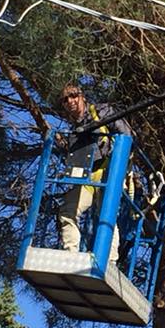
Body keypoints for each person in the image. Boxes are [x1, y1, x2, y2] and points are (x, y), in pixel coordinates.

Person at [56, 82, 132, 263]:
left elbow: (126, 134)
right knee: (68, 210)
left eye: (73, 95)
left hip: (109, 171)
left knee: (107, 213)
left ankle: (110, 261)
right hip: (88, 176)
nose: (70, 101)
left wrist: (120, 165)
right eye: (65, 100)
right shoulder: (73, 131)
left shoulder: (102, 112)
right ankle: (70, 256)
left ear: (82, 96)